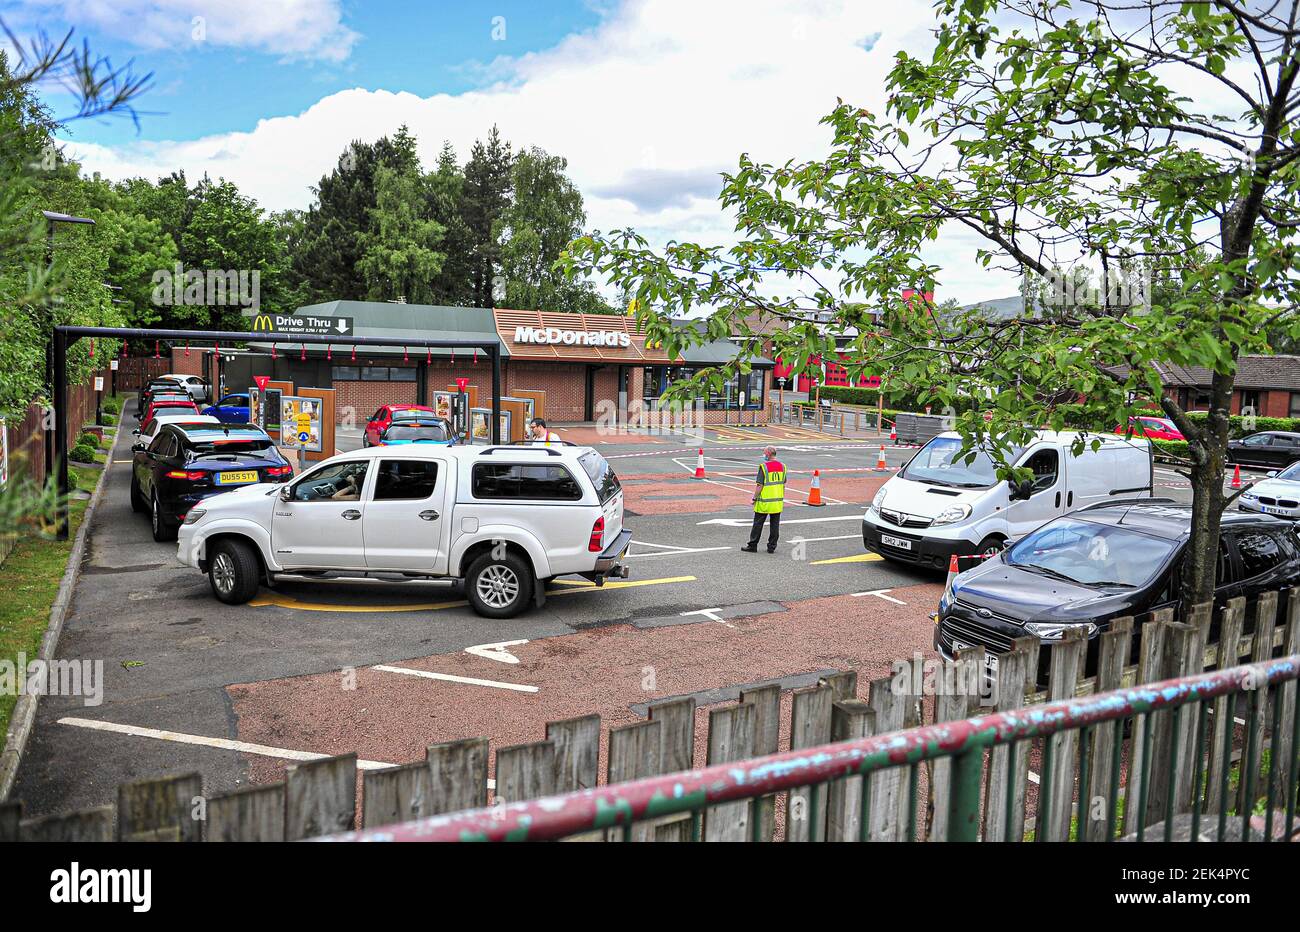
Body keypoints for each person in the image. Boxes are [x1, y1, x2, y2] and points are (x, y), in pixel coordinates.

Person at [741, 446, 785, 554]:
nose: (763, 455)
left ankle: (753, 545)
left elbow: (760, 485)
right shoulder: (783, 466)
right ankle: (772, 547)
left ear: (769, 454)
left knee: (758, 524)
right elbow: (783, 484)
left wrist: (754, 498)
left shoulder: (764, 467)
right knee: (775, 525)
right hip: (777, 501)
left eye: (764, 453)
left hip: (764, 501)